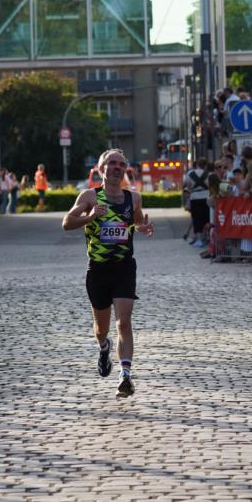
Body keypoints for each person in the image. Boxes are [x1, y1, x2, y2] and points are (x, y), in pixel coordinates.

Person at [62, 148, 154, 398]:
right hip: (98, 270)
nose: (116, 167)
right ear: (101, 169)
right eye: (111, 163)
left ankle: (126, 376)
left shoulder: (133, 198)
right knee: (101, 328)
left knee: (123, 321)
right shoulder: (90, 196)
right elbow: (67, 223)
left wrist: (143, 227)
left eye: (120, 164)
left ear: (124, 170)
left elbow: (134, 221)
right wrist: (90, 217)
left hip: (124, 267)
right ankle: (104, 347)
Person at [184, 157, 210, 248]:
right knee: (206, 217)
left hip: (194, 198)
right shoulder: (208, 174)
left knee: (197, 218)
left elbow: (188, 186)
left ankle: (199, 239)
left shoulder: (190, 174)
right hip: (206, 197)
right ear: (205, 165)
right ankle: (207, 237)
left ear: (197, 164)